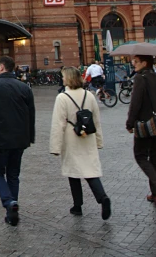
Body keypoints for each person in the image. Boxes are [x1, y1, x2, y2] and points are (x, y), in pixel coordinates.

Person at [0, 56, 35, 227]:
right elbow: (31, 115)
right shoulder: (24, 87)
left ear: (2, 67)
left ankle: (9, 202)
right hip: (20, 139)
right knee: (13, 174)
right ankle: (12, 211)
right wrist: (29, 136)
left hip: (0, 139)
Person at [49, 67, 111, 220]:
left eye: (63, 77)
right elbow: (96, 120)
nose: (62, 79)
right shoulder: (89, 95)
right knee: (90, 171)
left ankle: (78, 205)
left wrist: (55, 147)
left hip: (71, 138)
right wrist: (99, 141)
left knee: (73, 172)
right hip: (88, 137)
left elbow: (58, 124)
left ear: (68, 78)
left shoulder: (62, 97)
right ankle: (102, 197)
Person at [125, 54, 156, 205]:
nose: (133, 63)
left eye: (136, 61)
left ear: (145, 63)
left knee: (140, 155)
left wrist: (129, 123)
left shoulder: (140, 78)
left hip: (146, 123)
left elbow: (135, 103)